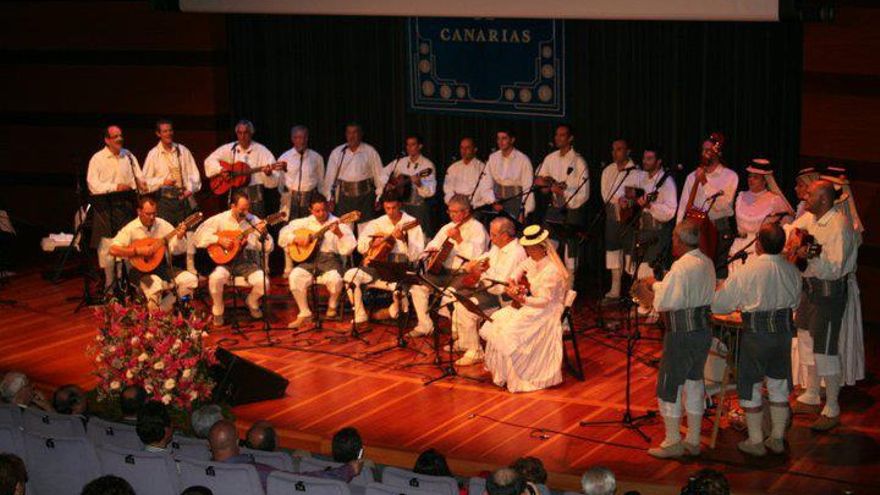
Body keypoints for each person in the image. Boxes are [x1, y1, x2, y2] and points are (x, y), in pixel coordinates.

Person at [712, 224, 801, 456]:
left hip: (756, 335)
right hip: (782, 334)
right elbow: (796, 302)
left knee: (750, 384)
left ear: (759, 244)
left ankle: (755, 441)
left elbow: (721, 305)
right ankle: (777, 438)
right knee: (778, 384)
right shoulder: (792, 271)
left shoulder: (748, 271)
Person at [633, 219, 715, 459]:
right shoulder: (706, 262)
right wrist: (659, 284)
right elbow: (682, 291)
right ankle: (693, 440)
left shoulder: (681, 267)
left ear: (679, 241)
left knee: (669, 385)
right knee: (694, 382)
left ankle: (672, 441)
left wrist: (652, 289)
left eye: (673, 239)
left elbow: (666, 302)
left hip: (681, 333)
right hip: (702, 331)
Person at [787, 180, 857, 431]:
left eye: (810, 194)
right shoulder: (812, 218)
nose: (805, 196)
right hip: (810, 290)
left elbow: (835, 268)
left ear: (824, 199)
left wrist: (811, 253)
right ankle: (812, 393)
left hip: (828, 293)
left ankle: (833, 406)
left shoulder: (839, 225)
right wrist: (789, 240)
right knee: (806, 338)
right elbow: (792, 231)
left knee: (825, 348)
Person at [479, 225, 568, 392]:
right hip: (532, 306)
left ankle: (522, 374)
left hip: (546, 311)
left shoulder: (552, 270)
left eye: (532, 248)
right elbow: (516, 272)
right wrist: (512, 282)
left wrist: (523, 299)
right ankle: (504, 373)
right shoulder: (531, 261)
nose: (529, 251)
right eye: (527, 248)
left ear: (542, 248)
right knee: (497, 319)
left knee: (510, 330)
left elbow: (544, 301)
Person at [450, 217, 526, 366]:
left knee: (466, 308)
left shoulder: (516, 252)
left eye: (493, 235)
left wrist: (481, 273)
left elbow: (500, 286)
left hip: (504, 299)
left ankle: (475, 351)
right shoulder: (498, 246)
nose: (490, 238)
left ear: (505, 235)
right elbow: (485, 258)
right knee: (458, 299)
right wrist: (473, 264)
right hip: (489, 291)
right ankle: (465, 342)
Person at [410, 196, 488, 337]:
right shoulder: (447, 227)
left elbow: (476, 256)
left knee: (450, 294)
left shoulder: (478, 228)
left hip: (464, 274)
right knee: (417, 287)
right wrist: (431, 252)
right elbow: (432, 245)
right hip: (443, 271)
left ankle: (457, 334)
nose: (451, 215)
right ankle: (425, 325)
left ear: (466, 212)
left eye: (455, 212)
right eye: (449, 211)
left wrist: (459, 239)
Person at [344, 197, 426, 326]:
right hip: (378, 266)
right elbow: (360, 246)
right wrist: (372, 242)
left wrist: (404, 239)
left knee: (399, 295)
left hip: (400, 267)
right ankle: (360, 316)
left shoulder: (411, 223)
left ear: (400, 205)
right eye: (387, 208)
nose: (391, 212)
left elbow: (417, 254)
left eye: (394, 208)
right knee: (350, 275)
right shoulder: (377, 223)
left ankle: (390, 312)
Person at [196, 191, 274, 326]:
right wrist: (218, 240)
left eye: (247, 209)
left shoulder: (254, 221)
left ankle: (252, 301)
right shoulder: (220, 219)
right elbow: (199, 237)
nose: (245, 212)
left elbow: (269, 247)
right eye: (242, 209)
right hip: (226, 262)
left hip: (246, 261)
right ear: (233, 206)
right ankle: (218, 310)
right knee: (215, 279)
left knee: (264, 283)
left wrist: (263, 234)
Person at [108, 196, 198, 311]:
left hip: (161, 268)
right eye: (148, 214)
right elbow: (113, 249)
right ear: (139, 211)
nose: (152, 217)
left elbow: (177, 250)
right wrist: (137, 251)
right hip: (139, 272)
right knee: (155, 286)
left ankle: (162, 311)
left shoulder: (162, 224)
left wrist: (179, 237)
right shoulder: (131, 229)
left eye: (154, 213)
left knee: (190, 280)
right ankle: (158, 316)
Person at [279, 195, 356, 328]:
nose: (321, 214)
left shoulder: (339, 223)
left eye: (324, 210)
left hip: (331, 260)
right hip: (310, 260)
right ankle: (305, 313)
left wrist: (339, 234)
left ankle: (332, 305)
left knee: (335, 279)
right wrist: (296, 239)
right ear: (311, 210)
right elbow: (282, 235)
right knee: (295, 276)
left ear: (329, 207)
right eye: (317, 211)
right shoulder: (304, 222)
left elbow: (350, 248)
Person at [87, 125, 145, 291]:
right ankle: (109, 286)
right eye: (115, 136)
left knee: (127, 244)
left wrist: (141, 184)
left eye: (120, 135)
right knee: (108, 247)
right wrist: (114, 187)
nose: (120, 139)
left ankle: (127, 285)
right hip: (106, 207)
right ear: (107, 140)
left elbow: (138, 177)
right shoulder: (97, 158)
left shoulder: (128, 156)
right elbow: (93, 184)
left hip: (126, 205)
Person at [676, 133, 738, 279]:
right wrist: (678, 230)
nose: (704, 153)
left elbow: (724, 206)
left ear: (718, 153)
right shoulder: (691, 176)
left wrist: (704, 182)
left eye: (709, 150)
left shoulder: (730, 176)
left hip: (719, 230)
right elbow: (684, 205)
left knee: (717, 273)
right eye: (703, 150)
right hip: (696, 230)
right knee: (695, 273)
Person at [535, 124, 589, 284]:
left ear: (570, 138)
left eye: (562, 135)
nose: (558, 138)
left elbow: (584, 193)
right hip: (554, 207)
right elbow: (539, 180)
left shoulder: (578, 161)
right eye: (556, 135)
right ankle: (551, 282)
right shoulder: (550, 158)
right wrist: (548, 185)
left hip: (572, 209)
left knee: (570, 250)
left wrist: (564, 193)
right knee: (548, 245)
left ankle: (569, 286)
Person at [727, 159, 793, 275]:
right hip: (738, 248)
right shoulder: (741, 196)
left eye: (756, 177)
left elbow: (787, 224)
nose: (751, 180)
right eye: (750, 176)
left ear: (765, 180)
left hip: (760, 250)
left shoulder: (774, 200)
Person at [204, 119, 282, 218]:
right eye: (239, 133)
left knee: (256, 224)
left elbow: (275, 179)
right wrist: (220, 170)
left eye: (246, 133)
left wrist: (268, 173)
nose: (242, 136)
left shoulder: (262, 151)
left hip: (254, 197)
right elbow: (209, 161)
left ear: (251, 133)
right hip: (235, 196)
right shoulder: (230, 148)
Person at [621, 144, 677, 281]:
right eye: (644, 158)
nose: (645, 161)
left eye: (649, 158)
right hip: (641, 232)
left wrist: (651, 206)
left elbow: (670, 211)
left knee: (650, 275)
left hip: (657, 234)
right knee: (638, 273)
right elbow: (634, 197)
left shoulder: (667, 182)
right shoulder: (642, 178)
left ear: (659, 161)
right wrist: (627, 201)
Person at [278, 125, 325, 277]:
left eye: (304, 137)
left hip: (310, 197)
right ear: (293, 139)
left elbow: (321, 182)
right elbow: (279, 182)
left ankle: (309, 265)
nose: (301, 141)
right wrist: (285, 196)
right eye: (298, 137)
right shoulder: (284, 157)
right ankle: (288, 266)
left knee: (310, 230)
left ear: (307, 138)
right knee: (288, 229)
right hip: (290, 198)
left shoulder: (316, 158)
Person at [323, 122, 384, 228]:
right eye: (349, 133)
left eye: (355, 132)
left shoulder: (370, 151)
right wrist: (329, 198)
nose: (352, 136)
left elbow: (379, 176)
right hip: (344, 198)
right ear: (346, 135)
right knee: (345, 230)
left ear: (361, 134)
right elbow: (329, 178)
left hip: (365, 196)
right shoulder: (338, 152)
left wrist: (379, 197)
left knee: (366, 229)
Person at [142, 118, 201, 226]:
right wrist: (162, 182)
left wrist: (189, 190)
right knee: (168, 231)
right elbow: (145, 182)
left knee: (188, 231)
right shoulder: (153, 154)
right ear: (158, 134)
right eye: (165, 131)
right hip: (165, 202)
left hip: (184, 199)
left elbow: (195, 175)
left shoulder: (182, 150)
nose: (168, 133)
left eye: (170, 130)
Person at [378, 134, 437, 235]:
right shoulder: (401, 162)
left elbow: (431, 191)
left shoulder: (427, 165)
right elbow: (382, 173)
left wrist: (419, 184)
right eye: (408, 145)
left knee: (419, 235)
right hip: (400, 206)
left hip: (417, 207)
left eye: (413, 144)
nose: (409, 148)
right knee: (400, 234)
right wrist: (388, 184)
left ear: (420, 146)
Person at [600, 139, 636, 301]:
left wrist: (626, 201)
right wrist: (617, 199)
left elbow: (636, 193)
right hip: (612, 216)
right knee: (613, 251)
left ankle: (633, 290)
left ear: (628, 151)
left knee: (629, 252)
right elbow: (605, 194)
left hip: (629, 218)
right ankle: (615, 288)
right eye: (613, 149)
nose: (615, 153)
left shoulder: (635, 171)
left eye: (619, 149)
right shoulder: (608, 171)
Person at [486, 130, 534, 222]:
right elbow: (486, 183)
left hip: (515, 202)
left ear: (512, 140)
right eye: (498, 138)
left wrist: (524, 211)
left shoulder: (523, 160)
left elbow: (528, 188)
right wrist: (492, 201)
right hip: (497, 202)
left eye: (504, 138)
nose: (500, 142)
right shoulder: (493, 158)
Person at [443, 137, 495, 210]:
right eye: (462, 148)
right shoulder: (452, 168)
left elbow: (484, 190)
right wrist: (455, 202)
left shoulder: (482, 168)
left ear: (475, 149)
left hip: (474, 207)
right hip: (456, 207)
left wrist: (471, 204)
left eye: (467, 148)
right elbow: (448, 189)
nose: (464, 151)